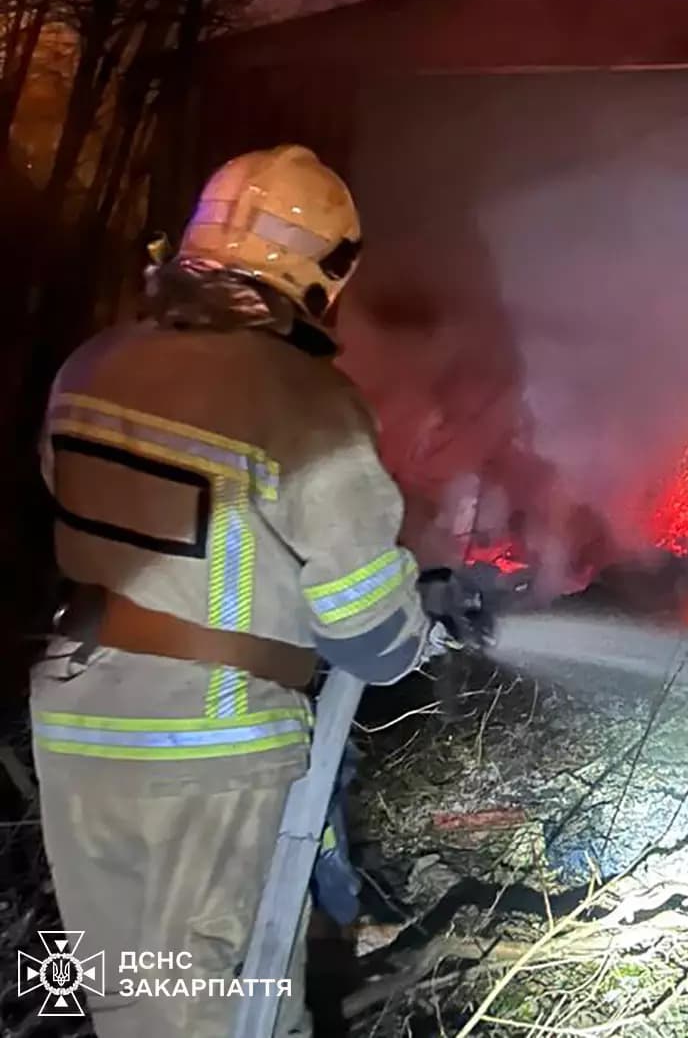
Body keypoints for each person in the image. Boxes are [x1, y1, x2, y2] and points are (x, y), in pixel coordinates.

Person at [30, 145, 458, 1037]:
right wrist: (421, 632)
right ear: (319, 271)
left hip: (73, 724)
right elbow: (367, 630)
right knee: (216, 1007)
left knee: (127, 992)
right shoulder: (308, 403)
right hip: (207, 749)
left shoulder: (88, 366)